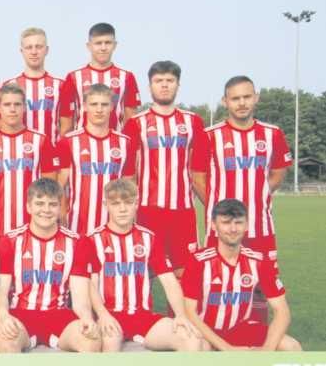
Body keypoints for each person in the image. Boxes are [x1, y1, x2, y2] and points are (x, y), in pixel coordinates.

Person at [75, 179, 203, 352]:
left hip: (143, 316)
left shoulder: (149, 238)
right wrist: (102, 314)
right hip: (110, 315)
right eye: (116, 204)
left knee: (190, 338)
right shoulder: (91, 240)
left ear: (136, 203)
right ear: (106, 205)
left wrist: (180, 315)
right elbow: (91, 284)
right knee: (110, 343)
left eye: (128, 203)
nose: (122, 209)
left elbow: (169, 281)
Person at [0, 178, 101, 353]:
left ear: (61, 208)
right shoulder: (10, 241)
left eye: (53, 204)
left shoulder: (77, 243)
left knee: (91, 340)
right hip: (20, 314)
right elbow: (1, 292)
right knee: (6, 339)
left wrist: (87, 317)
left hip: (59, 315)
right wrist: (4, 316)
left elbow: (80, 298)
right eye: (39, 203)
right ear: (29, 207)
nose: (46, 210)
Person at [122, 61, 209, 275]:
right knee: (144, 272)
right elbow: (129, 175)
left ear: (178, 85)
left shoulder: (193, 122)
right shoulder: (135, 124)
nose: (164, 85)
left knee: (185, 274)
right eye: (158, 80)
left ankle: (180, 301)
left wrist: (214, 207)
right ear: (150, 86)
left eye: (170, 80)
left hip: (182, 212)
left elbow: (199, 173)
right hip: (147, 211)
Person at [191, 75, 292, 260]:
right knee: (219, 277)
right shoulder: (208, 136)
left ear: (256, 97)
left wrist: (258, 193)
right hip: (220, 231)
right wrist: (220, 208)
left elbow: (278, 173)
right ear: (225, 101)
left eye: (247, 97)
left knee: (263, 278)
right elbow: (197, 179)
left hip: (260, 229)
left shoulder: (273, 134)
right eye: (235, 98)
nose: (242, 103)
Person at [182, 199, 301, 351]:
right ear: (213, 225)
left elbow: (282, 311)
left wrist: (267, 349)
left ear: (246, 225)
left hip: (240, 329)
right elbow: (189, 312)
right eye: (226, 223)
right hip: (206, 332)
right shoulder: (198, 261)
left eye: (238, 223)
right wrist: (227, 348)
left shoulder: (259, 261)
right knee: (198, 348)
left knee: (291, 346)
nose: (233, 229)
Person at [0, 83, 59, 237]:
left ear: (24, 107)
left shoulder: (42, 141)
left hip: (34, 228)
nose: (12, 109)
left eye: (17, 104)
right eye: (7, 105)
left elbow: (50, 187)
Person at [55, 84, 136, 235]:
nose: (99, 110)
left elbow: (129, 185)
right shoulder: (68, 142)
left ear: (112, 107)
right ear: (85, 107)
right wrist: (61, 215)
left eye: (104, 104)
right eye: (94, 104)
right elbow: (59, 184)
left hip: (114, 226)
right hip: (76, 225)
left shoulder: (126, 143)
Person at [58, 23, 141, 134]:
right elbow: (66, 122)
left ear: (115, 45)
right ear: (89, 46)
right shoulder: (73, 78)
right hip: (81, 142)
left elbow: (131, 119)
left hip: (116, 143)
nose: (103, 48)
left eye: (108, 43)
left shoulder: (127, 77)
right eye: (98, 43)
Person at [3, 27, 63, 146]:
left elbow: (66, 124)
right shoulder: (9, 85)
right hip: (19, 152)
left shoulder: (61, 85)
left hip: (51, 152)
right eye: (29, 47)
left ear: (47, 50)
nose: (34, 52)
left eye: (38, 47)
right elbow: (2, 124)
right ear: (22, 51)